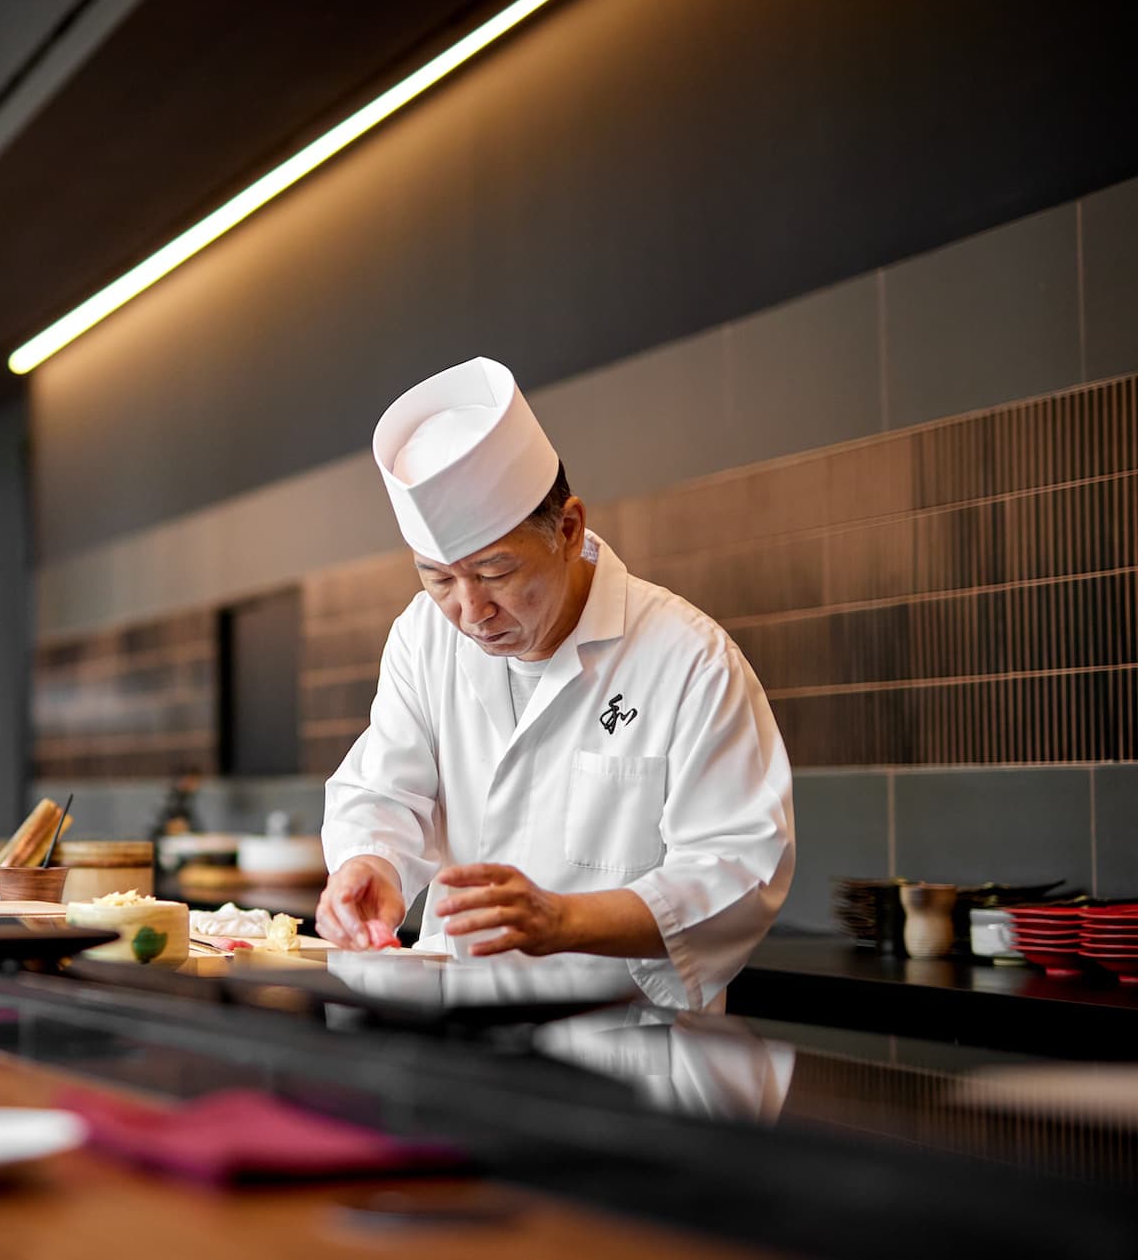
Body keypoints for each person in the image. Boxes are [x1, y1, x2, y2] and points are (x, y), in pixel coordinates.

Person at [317, 357, 793, 1010]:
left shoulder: (689, 658)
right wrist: (369, 863)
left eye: (494, 571)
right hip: (459, 1034)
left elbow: (739, 874)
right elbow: (383, 789)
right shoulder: (423, 636)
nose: (470, 610)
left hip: (633, 1054)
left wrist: (565, 920)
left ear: (568, 529)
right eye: (438, 579)